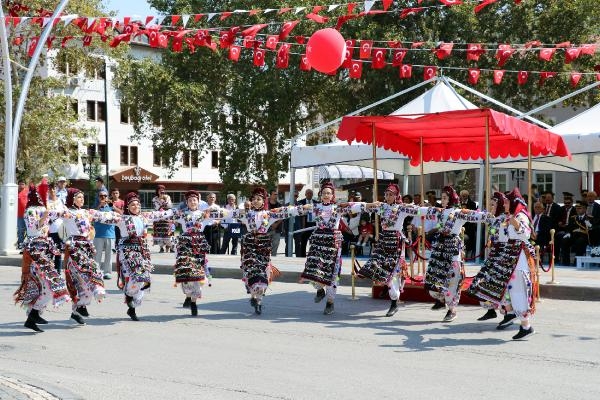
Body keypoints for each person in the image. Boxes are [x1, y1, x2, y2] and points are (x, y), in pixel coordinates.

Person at [219, 187, 306, 314]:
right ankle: (253, 297)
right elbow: (227, 213)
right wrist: (210, 212)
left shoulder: (269, 214)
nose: (255, 201)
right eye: (253, 199)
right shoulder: (245, 213)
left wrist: (306, 207)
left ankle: (258, 302)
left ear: (263, 201)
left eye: (259, 199)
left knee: (263, 275)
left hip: (264, 248)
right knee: (251, 273)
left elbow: (288, 211)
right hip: (249, 247)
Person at [424, 186, 490, 322]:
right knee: (435, 276)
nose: (441, 200)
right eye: (441, 198)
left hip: (452, 248)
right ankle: (441, 299)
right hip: (440, 249)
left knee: (453, 278)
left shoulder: (458, 212)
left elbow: (475, 215)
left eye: (444, 198)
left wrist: (488, 215)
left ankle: (452, 310)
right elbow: (423, 211)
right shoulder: (440, 212)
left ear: (451, 199)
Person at [300, 182, 366, 315]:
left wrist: (370, 205)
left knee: (333, 274)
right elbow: (295, 210)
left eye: (328, 193)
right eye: (324, 193)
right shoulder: (315, 206)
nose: (326, 195)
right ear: (320, 194)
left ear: (332, 195)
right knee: (314, 269)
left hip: (334, 243)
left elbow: (356, 206)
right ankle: (319, 290)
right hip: (318, 242)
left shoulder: (338, 208)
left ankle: (330, 302)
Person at [14, 180, 71, 332]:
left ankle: (35, 315)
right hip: (35, 251)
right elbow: (34, 228)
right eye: (43, 193)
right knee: (49, 284)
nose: (45, 196)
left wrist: (67, 213)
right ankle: (32, 316)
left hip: (44, 250)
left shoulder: (42, 209)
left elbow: (58, 213)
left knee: (44, 285)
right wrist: (45, 216)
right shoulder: (31, 211)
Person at [358, 184, 421, 317]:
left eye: (391, 194)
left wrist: (414, 206)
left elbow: (420, 211)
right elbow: (363, 207)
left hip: (396, 241)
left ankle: (394, 303)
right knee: (377, 264)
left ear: (396, 195)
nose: (388, 197)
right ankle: (387, 287)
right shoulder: (382, 206)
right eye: (386, 194)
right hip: (383, 239)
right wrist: (371, 204)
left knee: (395, 270)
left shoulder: (402, 208)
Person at [62, 188, 121, 325]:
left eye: (83, 197)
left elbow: (103, 216)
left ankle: (78, 309)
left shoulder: (87, 212)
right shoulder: (68, 213)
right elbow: (54, 214)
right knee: (80, 279)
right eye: (78, 197)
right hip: (74, 249)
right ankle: (79, 308)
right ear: (72, 199)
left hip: (87, 248)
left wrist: (118, 217)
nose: (81, 199)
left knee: (91, 275)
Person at [114, 192, 174, 321]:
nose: (136, 207)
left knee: (143, 278)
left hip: (141, 250)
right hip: (126, 250)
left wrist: (174, 211)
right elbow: (104, 217)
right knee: (132, 277)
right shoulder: (122, 219)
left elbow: (160, 214)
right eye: (132, 205)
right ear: (128, 206)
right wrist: (90, 214)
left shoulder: (144, 217)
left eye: (137, 204)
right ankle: (129, 297)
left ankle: (132, 307)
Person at [496, 188, 537, 340]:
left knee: (519, 292)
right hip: (508, 259)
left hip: (519, 260)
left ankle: (526, 326)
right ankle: (513, 315)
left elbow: (525, 234)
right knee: (508, 291)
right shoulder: (508, 217)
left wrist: (514, 221)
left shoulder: (520, 216)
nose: (504, 204)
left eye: (506, 201)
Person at [172, 190, 215, 316]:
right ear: (187, 202)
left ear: (198, 202)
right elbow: (168, 216)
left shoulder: (204, 214)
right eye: (190, 200)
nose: (192, 202)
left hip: (199, 246)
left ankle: (194, 302)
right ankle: (188, 296)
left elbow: (222, 215)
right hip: (185, 246)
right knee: (186, 273)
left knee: (199, 275)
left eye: (194, 200)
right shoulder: (183, 214)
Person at [468, 192, 509, 321]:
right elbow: (478, 215)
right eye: (489, 205)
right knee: (483, 281)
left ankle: (508, 313)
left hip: (503, 256)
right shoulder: (492, 217)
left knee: (501, 284)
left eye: (493, 205)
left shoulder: (505, 219)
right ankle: (490, 310)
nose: (490, 207)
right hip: (492, 255)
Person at [93, 189, 116, 280]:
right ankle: (96, 272)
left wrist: (113, 206)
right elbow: (92, 214)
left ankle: (107, 272)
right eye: (101, 196)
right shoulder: (96, 206)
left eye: (105, 196)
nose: (103, 197)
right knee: (97, 255)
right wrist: (100, 206)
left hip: (110, 234)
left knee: (109, 255)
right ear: (98, 197)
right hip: (98, 234)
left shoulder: (111, 206)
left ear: (108, 197)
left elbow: (120, 214)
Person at [561, 201, 593, 265]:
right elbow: (569, 228)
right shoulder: (573, 218)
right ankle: (565, 262)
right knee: (565, 240)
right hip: (574, 235)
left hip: (584, 237)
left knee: (580, 241)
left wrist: (590, 225)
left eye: (579, 208)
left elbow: (592, 230)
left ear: (584, 209)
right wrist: (568, 233)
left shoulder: (589, 218)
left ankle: (577, 262)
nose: (577, 210)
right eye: (576, 208)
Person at [152, 185, 174, 253]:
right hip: (158, 218)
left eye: (163, 190)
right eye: (160, 190)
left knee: (168, 232)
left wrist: (164, 200)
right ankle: (161, 247)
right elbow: (156, 208)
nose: (161, 191)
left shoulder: (167, 197)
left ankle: (171, 247)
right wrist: (161, 201)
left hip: (167, 218)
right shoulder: (154, 199)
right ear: (157, 191)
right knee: (159, 233)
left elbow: (170, 206)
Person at [297, 189, 318, 257]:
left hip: (313, 225)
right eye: (308, 193)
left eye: (311, 193)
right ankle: (302, 257)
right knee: (303, 243)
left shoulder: (316, 203)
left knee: (313, 243)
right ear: (305, 194)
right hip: (304, 226)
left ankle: (312, 256)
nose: (309, 194)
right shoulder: (300, 202)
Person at [267, 190, 283, 256]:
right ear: (270, 195)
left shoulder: (279, 205)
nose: (276, 196)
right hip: (267, 229)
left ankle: (273, 261)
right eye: (274, 194)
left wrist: (276, 224)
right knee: (265, 247)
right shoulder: (266, 205)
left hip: (277, 229)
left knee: (275, 247)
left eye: (277, 194)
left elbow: (282, 216)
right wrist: (270, 224)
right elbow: (263, 216)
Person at [17, 180, 28, 251]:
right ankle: (21, 245)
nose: (21, 186)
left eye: (22, 184)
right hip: (19, 215)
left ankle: (28, 245)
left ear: (25, 185)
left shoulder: (28, 192)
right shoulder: (15, 192)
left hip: (28, 215)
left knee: (28, 231)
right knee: (21, 231)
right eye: (20, 184)